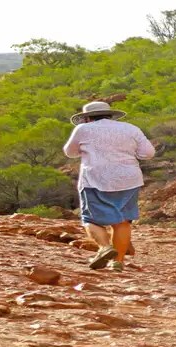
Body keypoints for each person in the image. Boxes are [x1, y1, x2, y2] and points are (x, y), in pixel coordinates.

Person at [63, 101, 155, 272]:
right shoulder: (131, 128)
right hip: (128, 179)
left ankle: (105, 248)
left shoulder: (83, 129)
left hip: (95, 179)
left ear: (87, 118)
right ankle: (118, 262)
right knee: (123, 220)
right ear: (110, 115)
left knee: (90, 219)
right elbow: (148, 153)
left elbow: (70, 152)